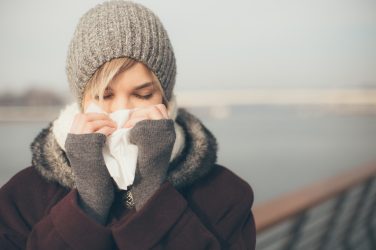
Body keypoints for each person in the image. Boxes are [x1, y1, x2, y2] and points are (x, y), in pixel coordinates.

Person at [0, 1, 256, 249]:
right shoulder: (23, 196)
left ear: (166, 99)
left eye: (143, 95)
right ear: (82, 101)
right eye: (104, 96)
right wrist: (88, 199)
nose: (123, 110)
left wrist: (152, 193)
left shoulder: (224, 194)